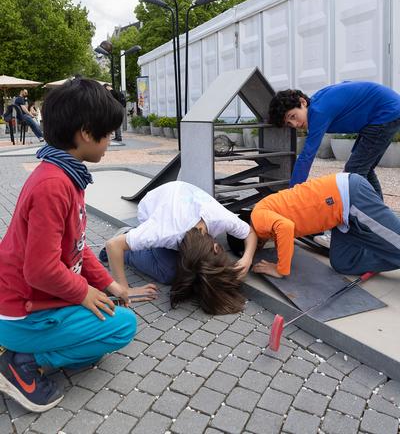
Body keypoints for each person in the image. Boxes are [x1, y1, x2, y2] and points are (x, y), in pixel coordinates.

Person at [0, 78, 157, 413]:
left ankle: (27, 348)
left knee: (105, 321)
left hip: (30, 299)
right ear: (86, 133)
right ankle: (19, 363)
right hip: (21, 311)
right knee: (123, 326)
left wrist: (111, 285)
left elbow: (78, 246)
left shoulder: (65, 174)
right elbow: (40, 270)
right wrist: (84, 293)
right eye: (108, 133)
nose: (110, 140)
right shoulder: (54, 185)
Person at [268, 82, 400, 246]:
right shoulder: (317, 104)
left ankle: (350, 230)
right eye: (289, 123)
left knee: (352, 175)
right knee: (364, 170)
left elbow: (306, 156)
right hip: (383, 113)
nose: (294, 125)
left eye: (293, 116)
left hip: (384, 113)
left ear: (302, 102)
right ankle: (380, 221)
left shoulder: (318, 111)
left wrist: (291, 198)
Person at [102, 180, 258, 314]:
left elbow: (250, 233)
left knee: (189, 273)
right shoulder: (164, 232)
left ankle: (139, 243)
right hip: (152, 207)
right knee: (169, 274)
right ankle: (129, 238)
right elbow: (112, 245)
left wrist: (247, 258)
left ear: (216, 246)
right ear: (216, 247)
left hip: (181, 199)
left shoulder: (221, 218)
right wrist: (124, 290)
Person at [228, 172, 400, 279]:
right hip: (340, 217)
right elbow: (283, 231)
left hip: (348, 195)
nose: (260, 247)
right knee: (343, 263)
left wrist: (280, 269)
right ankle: (393, 255)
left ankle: (394, 252)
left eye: (256, 247)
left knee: (396, 241)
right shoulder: (263, 218)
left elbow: (285, 228)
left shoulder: (257, 217)